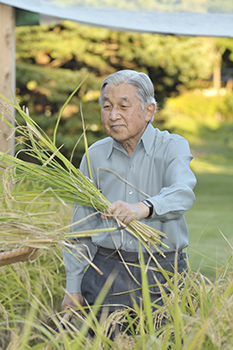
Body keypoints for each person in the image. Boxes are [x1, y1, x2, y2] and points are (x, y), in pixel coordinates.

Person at [61, 70, 197, 334]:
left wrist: (141, 209)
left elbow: (183, 193)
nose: (113, 116)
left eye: (123, 106)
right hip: (106, 272)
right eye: (107, 106)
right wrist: (73, 287)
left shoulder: (173, 147)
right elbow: (81, 229)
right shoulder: (94, 156)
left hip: (164, 270)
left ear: (149, 111)